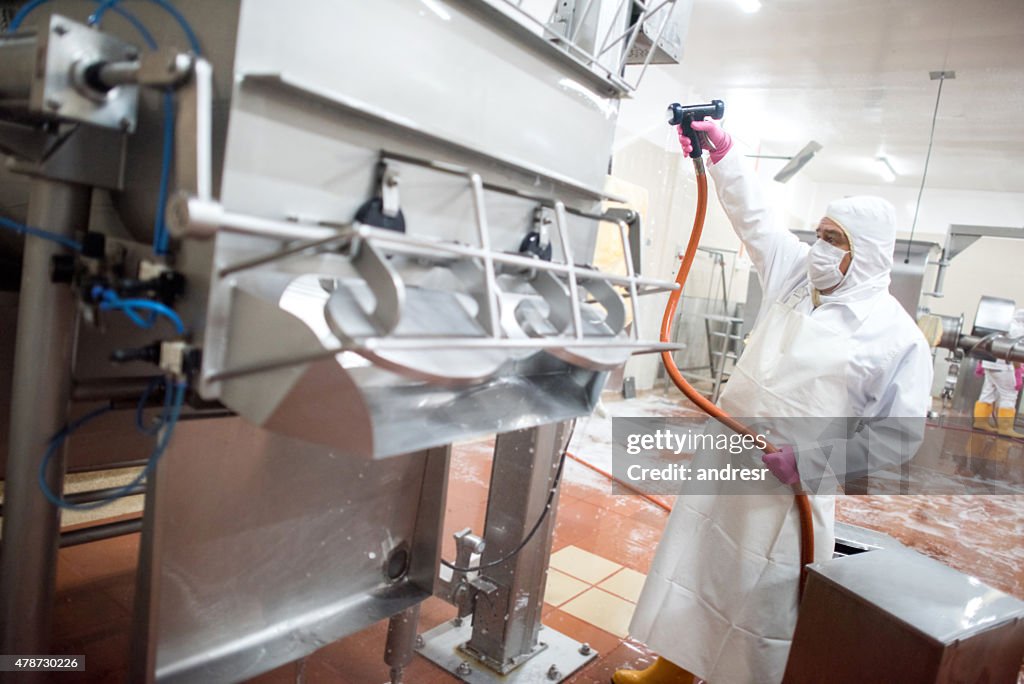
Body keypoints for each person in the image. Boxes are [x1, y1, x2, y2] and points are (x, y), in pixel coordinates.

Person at [614, 119, 934, 684]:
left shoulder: (896, 337)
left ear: (869, 254)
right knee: (698, 564)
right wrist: (724, 155)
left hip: (788, 491)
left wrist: (808, 464)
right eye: (820, 233)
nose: (820, 248)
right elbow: (755, 219)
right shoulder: (793, 278)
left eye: (836, 240)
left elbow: (899, 435)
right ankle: (674, 666)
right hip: (727, 457)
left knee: (762, 593)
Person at [974, 307, 1024, 438]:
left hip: (990, 363)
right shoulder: (1020, 330)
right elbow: (1016, 353)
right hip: (1004, 367)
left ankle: (980, 421)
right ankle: (1005, 427)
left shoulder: (1006, 324)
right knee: (1010, 394)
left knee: (988, 392)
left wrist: (981, 363)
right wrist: (1018, 372)